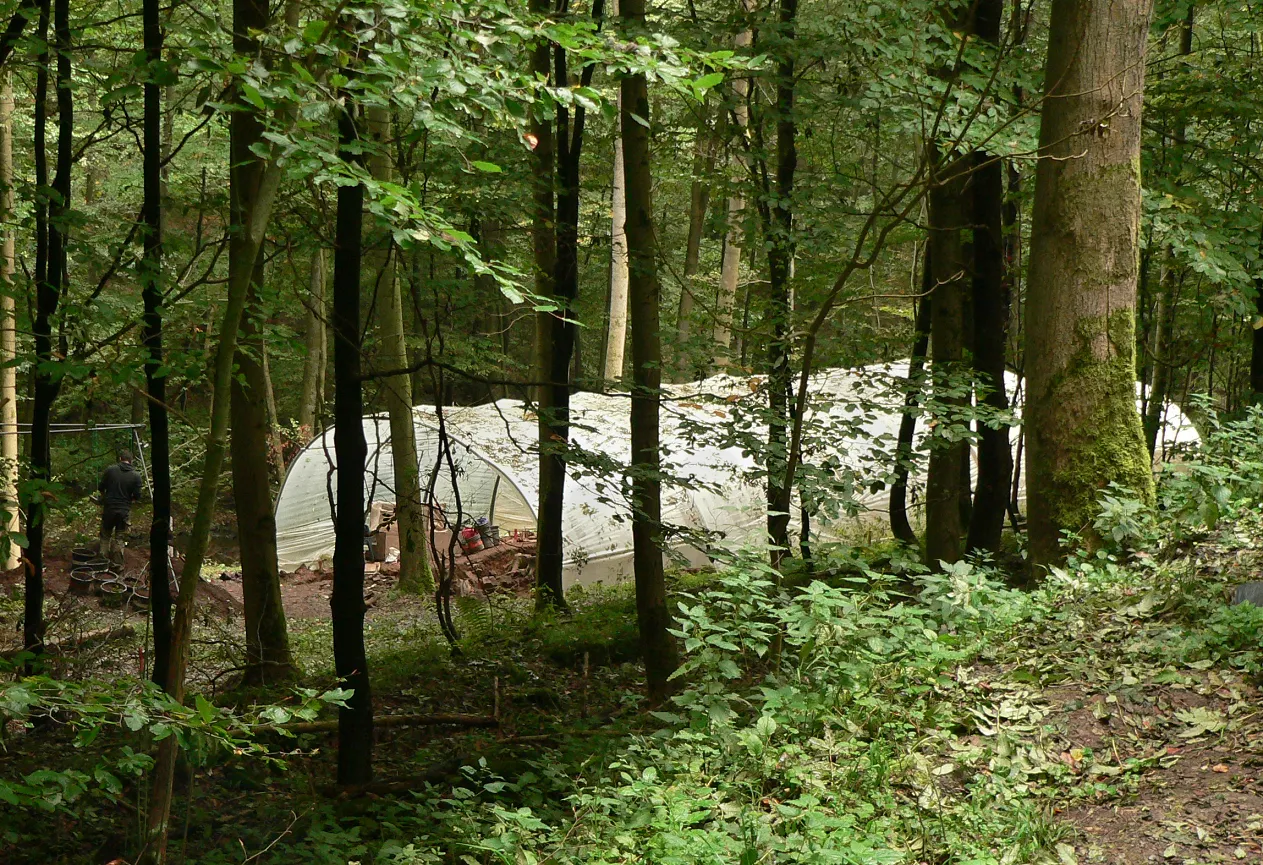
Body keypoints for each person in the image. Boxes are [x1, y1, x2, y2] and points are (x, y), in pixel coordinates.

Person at [97, 449, 143, 570]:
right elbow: (137, 496)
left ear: (120, 459)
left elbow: (101, 487)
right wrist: (130, 499)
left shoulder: (110, 470)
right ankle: (117, 565)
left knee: (105, 535)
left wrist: (104, 497)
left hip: (109, 508)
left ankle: (102, 563)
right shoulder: (136, 476)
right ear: (131, 461)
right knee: (119, 537)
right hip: (124, 511)